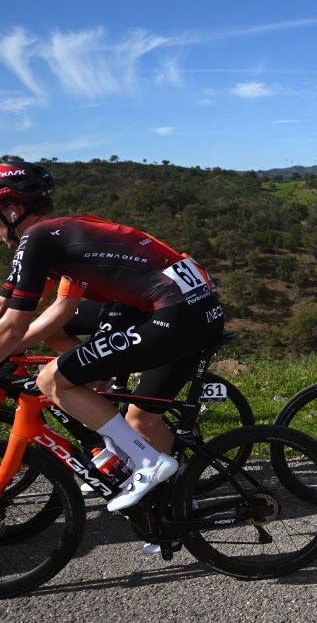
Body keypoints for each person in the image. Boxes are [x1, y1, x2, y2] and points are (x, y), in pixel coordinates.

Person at [0, 161, 224, 511]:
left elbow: (15, 325)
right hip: (188, 307)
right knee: (127, 409)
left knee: (53, 379)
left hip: (176, 312)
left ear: (12, 210)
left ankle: (147, 462)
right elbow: (8, 306)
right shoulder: (63, 232)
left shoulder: (38, 238)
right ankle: (176, 504)